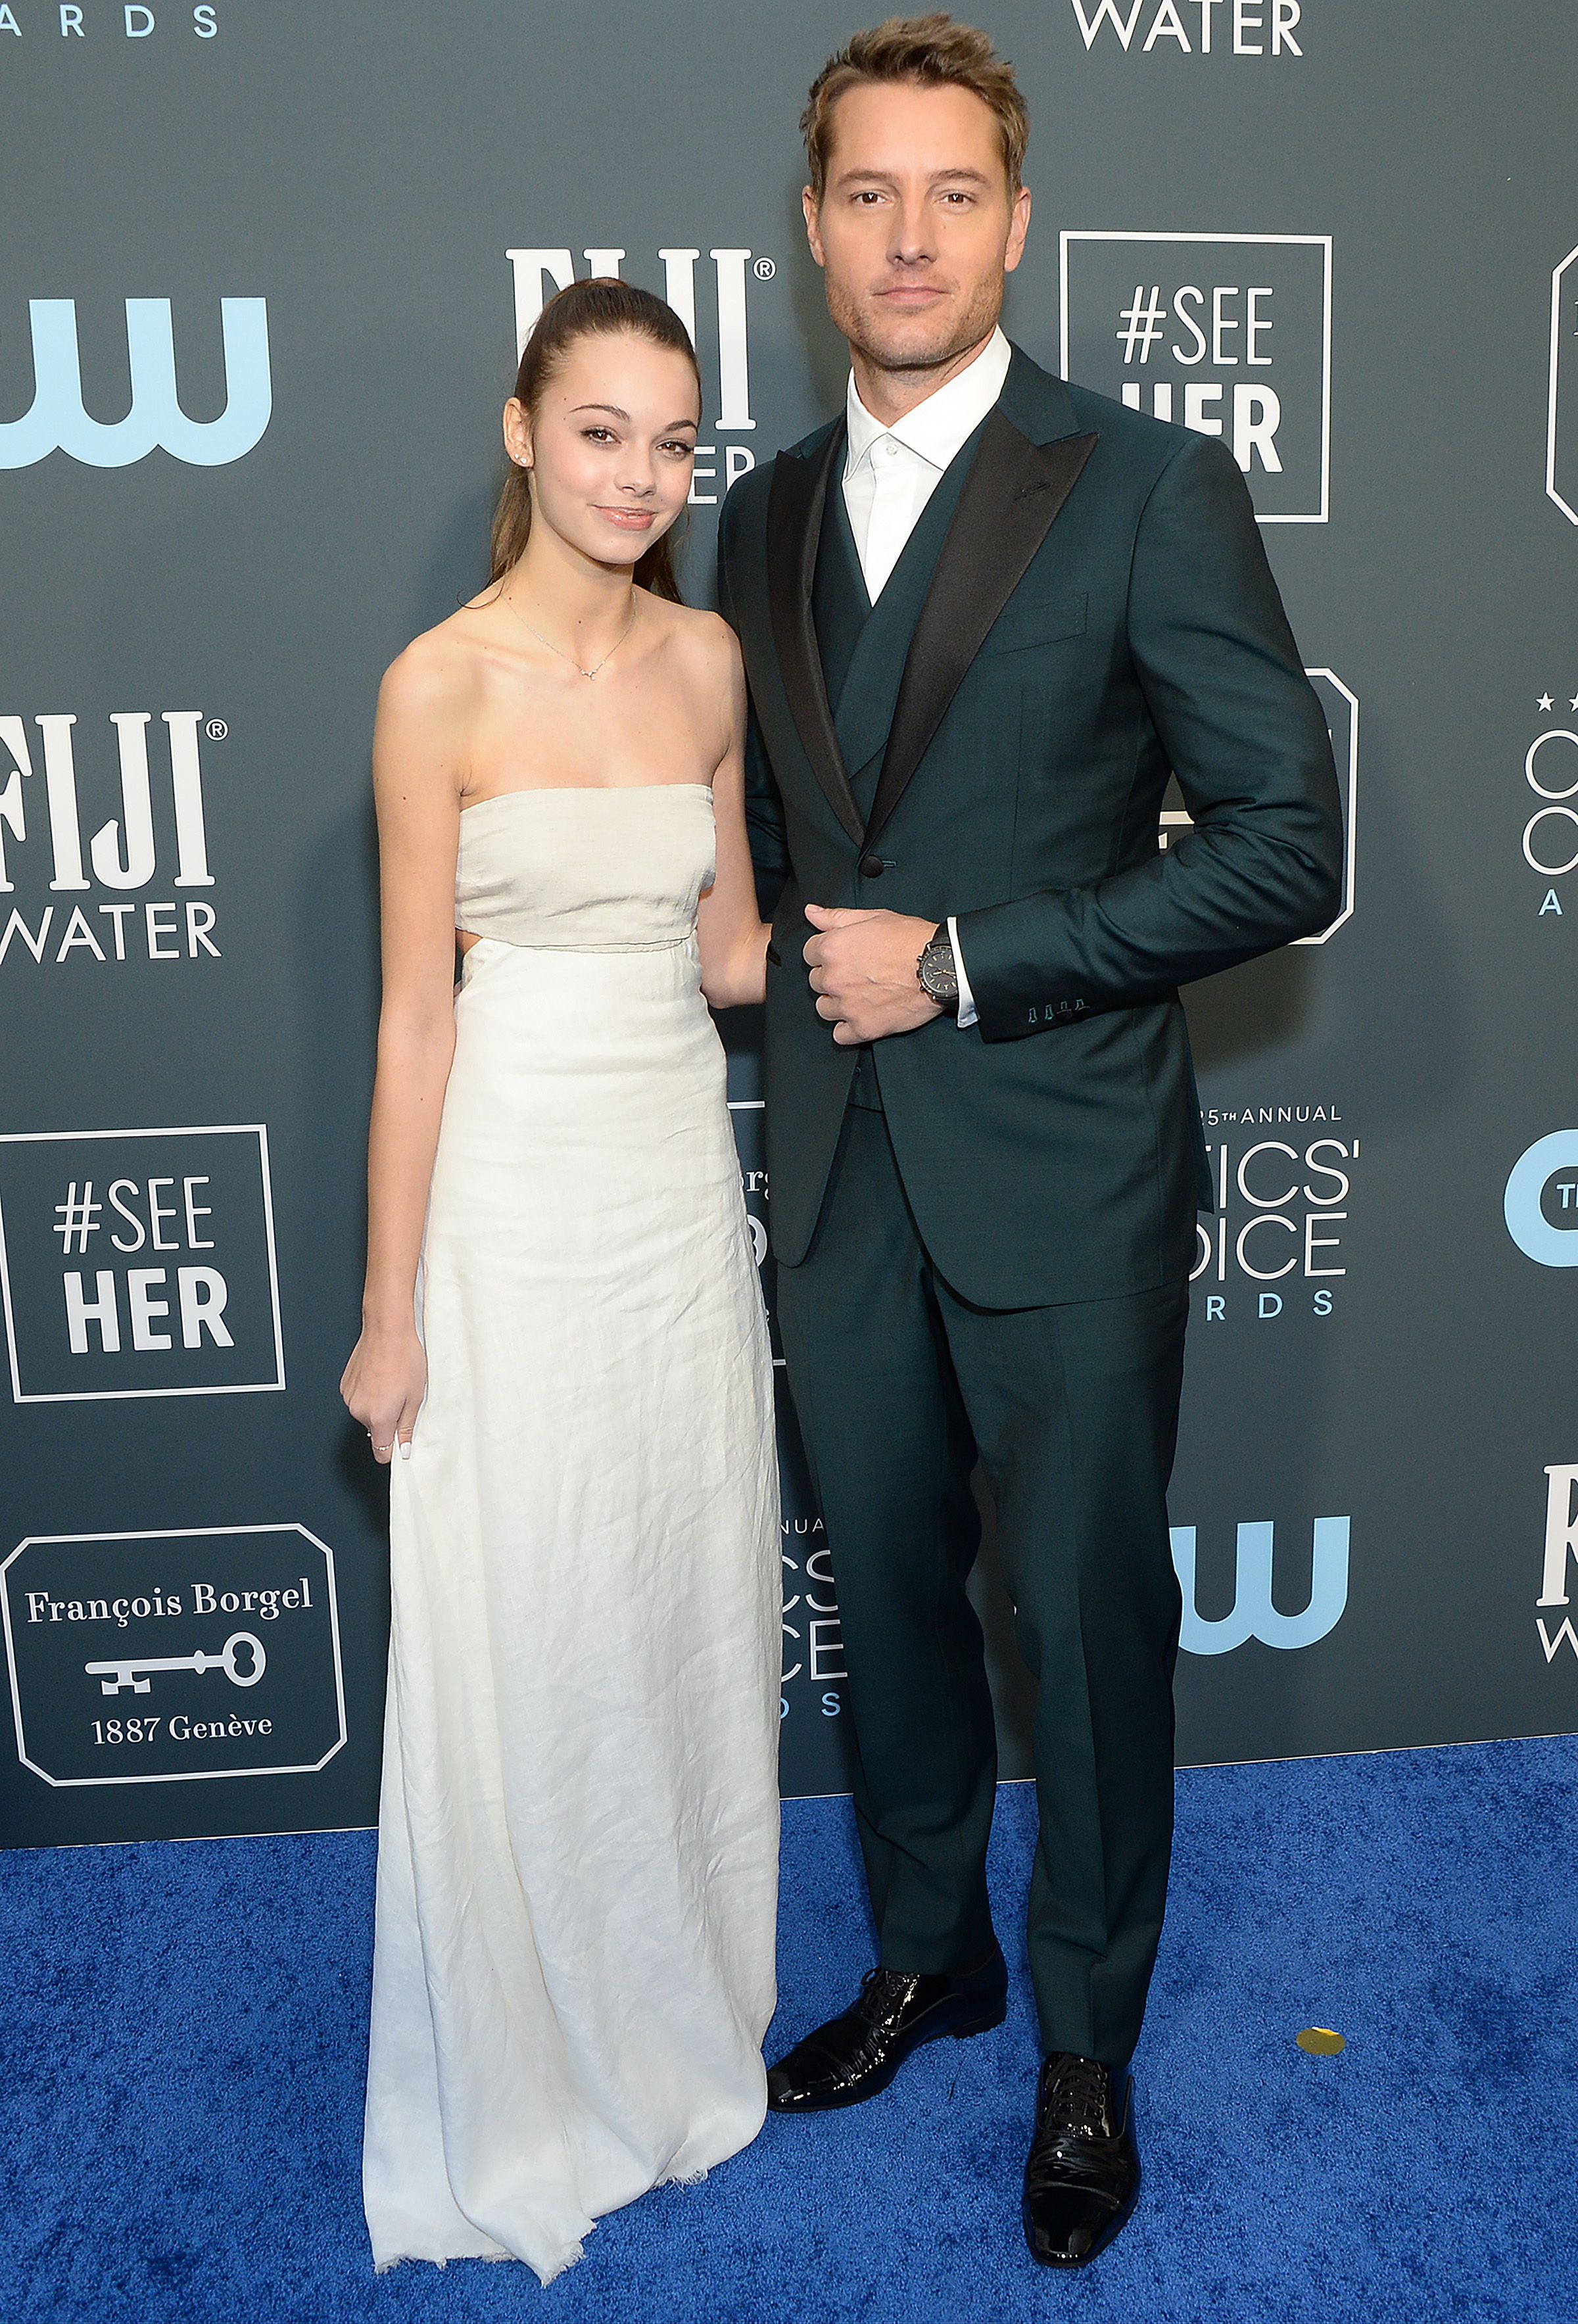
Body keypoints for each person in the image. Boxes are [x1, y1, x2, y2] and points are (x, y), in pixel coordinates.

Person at [716, 13, 1343, 2270]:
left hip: (1064, 1162)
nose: (911, 236)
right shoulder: (761, 514)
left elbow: (1286, 847)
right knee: (886, 1598)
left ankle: (1086, 2038)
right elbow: (769, 840)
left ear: (1016, 221)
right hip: (836, 1165)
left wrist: (971, 961)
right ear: (813, 230)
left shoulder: (1147, 481)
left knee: (1076, 1621)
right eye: (869, 194)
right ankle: (933, 1956)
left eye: (953, 193)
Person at [341, 278, 780, 2285]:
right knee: (531, 1605)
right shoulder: (435, 687)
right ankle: (532, 2047)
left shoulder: (708, 663)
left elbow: (729, 952)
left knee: (669, 1591)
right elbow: (413, 1020)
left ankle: (666, 1999)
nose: (638, 476)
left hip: (674, 1194)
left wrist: (971, 934)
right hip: (510, 1197)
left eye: (673, 444)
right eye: (601, 432)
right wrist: (390, 1310)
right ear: (522, 434)